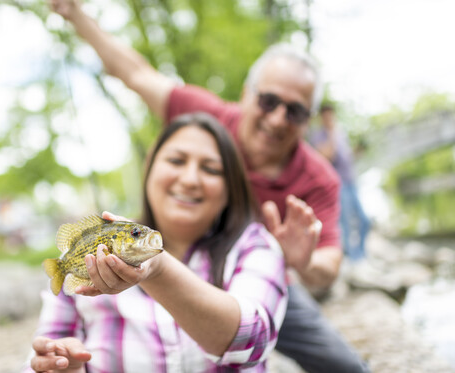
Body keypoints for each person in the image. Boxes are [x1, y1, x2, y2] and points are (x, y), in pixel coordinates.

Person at [50, 1, 370, 372]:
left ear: (307, 120)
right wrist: (76, 14)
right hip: (182, 261)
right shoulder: (206, 119)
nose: (277, 118)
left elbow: (329, 264)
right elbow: (135, 73)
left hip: (261, 273)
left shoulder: (319, 178)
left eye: (294, 111)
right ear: (247, 94)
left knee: (346, 366)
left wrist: (302, 260)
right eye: (268, 101)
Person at [25, 113, 288, 372]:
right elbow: (43, 353)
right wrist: (62, 366)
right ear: (149, 168)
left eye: (210, 169)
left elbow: (255, 338)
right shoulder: (75, 263)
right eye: (176, 160)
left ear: (231, 187)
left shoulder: (255, 246)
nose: (189, 179)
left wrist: (159, 269)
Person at [310, 104, 371, 261]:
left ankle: (361, 255)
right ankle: (352, 259)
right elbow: (327, 156)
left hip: (351, 182)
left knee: (364, 220)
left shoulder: (340, 132)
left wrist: (358, 151)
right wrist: (331, 134)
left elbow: (347, 157)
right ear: (322, 118)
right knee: (346, 224)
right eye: (326, 116)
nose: (330, 119)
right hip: (338, 185)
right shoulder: (320, 135)